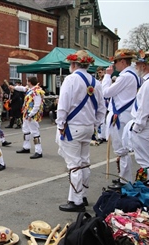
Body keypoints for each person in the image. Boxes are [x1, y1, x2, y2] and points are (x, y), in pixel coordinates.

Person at [56, 50, 106, 212]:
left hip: (73, 127)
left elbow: (63, 105)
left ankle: (76, 201)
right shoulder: (96, 82)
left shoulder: (70, 79)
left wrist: (60, 124)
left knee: (74, 165)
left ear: (73, 64)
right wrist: (95, 124)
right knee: (84, 161)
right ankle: (81, 195)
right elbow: (101, 108)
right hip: (88, 128)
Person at [103, 49, 141, 189]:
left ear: (123, 62)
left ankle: (125, 181)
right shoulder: (135, 75)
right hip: (125, 113)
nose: (114, 65)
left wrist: (107, 77)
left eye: (116, 62)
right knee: (123, 149)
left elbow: (106, 93)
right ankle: (124, 178)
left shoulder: (125, 76)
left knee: (122, 150)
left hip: (121, 115)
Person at [10, 76, 45, 159]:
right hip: (26, 113)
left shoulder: (36, 91)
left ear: (29, 82)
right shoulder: (30, 89)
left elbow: (37, 105)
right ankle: (26, 147)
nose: (26, 83)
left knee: (35, 132)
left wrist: (31, 114)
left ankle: (38, 151)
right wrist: (14, 87)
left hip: (31, 115)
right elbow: (22, 88)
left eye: (27, 81)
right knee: (25, 130)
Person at [129, 50, 149, 182]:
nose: (136, 67)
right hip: (145, 126)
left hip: (144, 128)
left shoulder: (147, 84)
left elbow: (144, 109)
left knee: (145, 162)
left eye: (138, 64)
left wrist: (136, 128)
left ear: (144, 66)